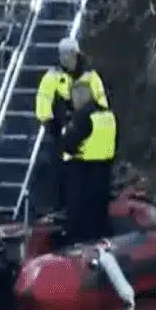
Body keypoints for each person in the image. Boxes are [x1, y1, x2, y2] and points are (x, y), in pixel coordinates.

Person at [53, 80, 117, 245]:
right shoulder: (108, 115)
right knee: (99, 217)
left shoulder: (83, 117)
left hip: (83, 174)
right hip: (104, 172)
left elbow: (67, 143)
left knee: (80, 221)